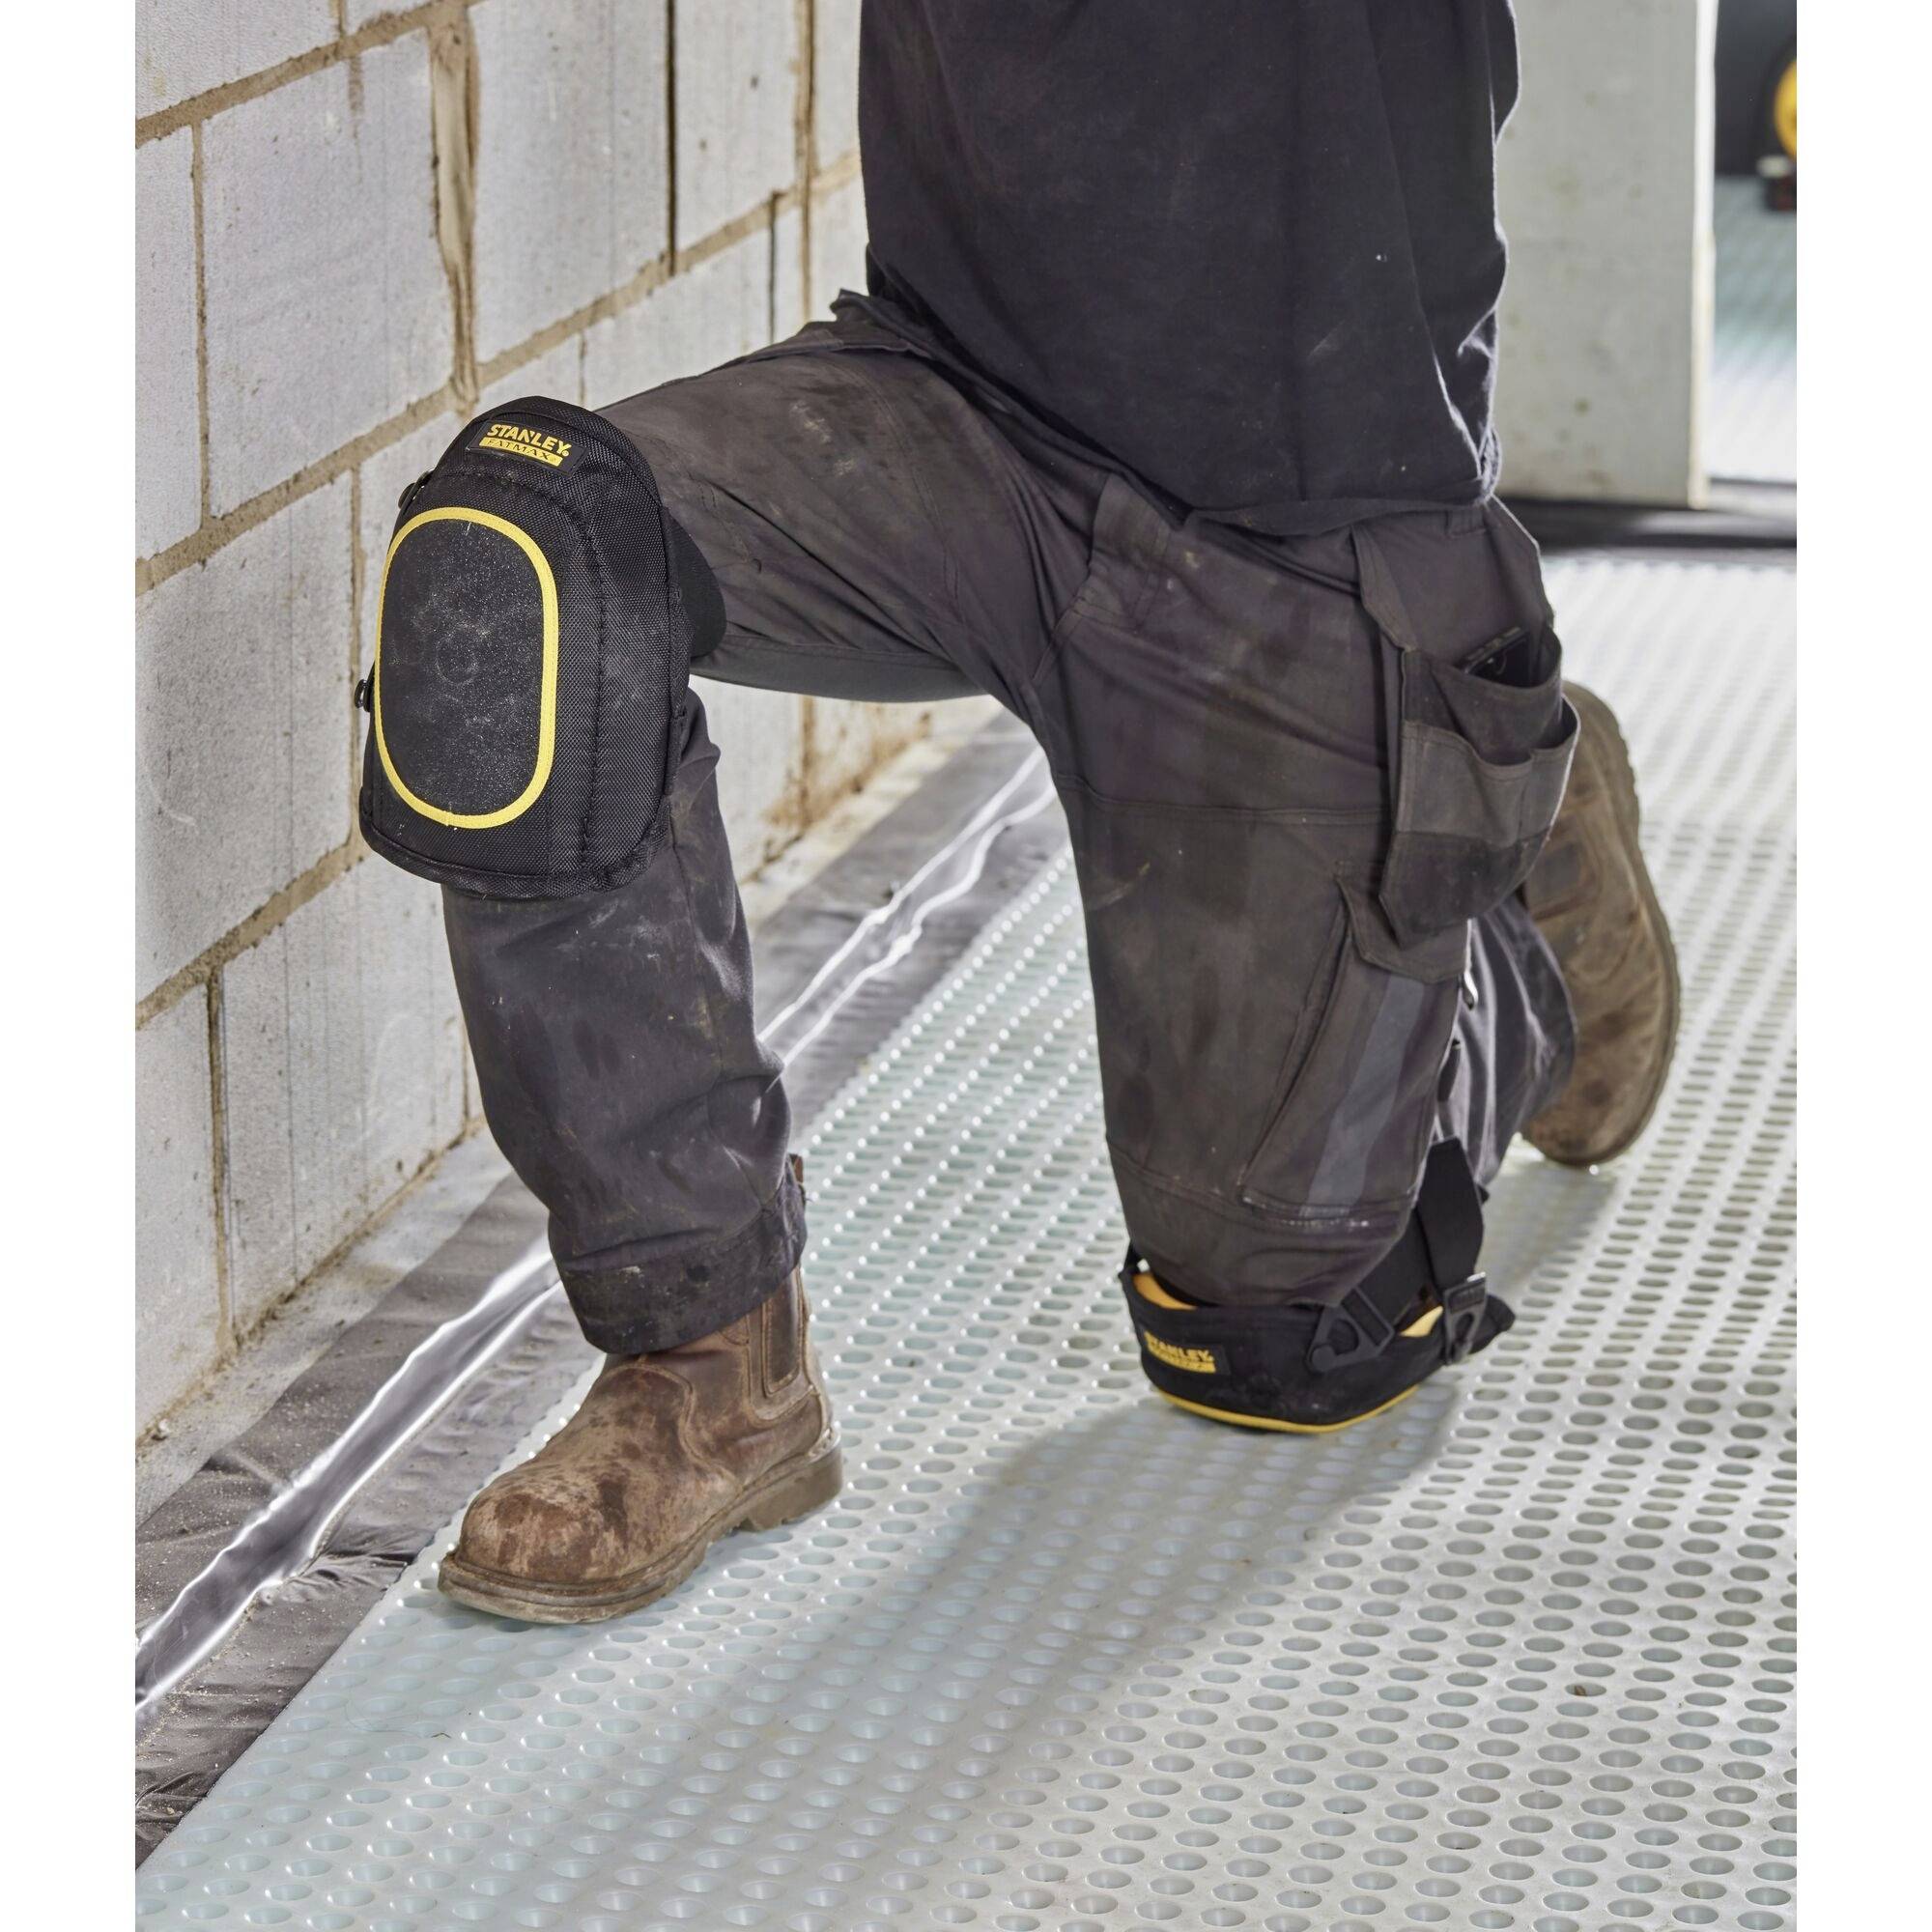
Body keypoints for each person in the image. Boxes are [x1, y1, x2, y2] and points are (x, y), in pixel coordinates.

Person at [357, 1, 1678, 1624]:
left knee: (1273, 1334)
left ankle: (1508, 866)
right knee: (524, 561)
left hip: (1302, 522)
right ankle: (708, 1356)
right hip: (955, 410)